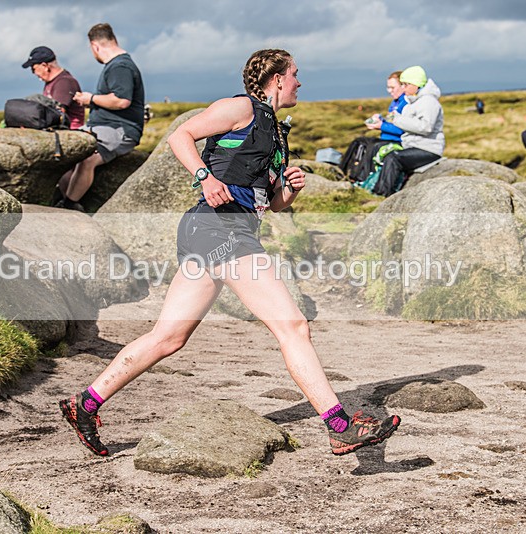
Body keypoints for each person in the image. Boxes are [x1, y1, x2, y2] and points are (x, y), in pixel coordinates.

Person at [58, 49, 401, 458]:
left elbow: (272, 203)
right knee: (292, 325)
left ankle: (86, 404)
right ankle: (339, 426)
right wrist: (204, 176)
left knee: (168, 337)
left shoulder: (275, 132)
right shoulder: (240, 108)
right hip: (221, 227)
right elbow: (179, 136)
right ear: (276, 79)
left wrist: (288, 188)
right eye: (295, 75)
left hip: (218, 229)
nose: (299, 82)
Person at [55, 23, 145, 212]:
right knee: (66, 150)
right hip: (104, 126)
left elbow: (122, 101)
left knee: (87, 159)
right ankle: (63, 197)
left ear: (95, 46)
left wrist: (91, 98)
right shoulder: (116, 65)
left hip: (120, 129)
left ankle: (70, 205)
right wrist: (92, 102)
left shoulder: (120, 66)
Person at [367, 65, 444, 196]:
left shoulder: (429, 101)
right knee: (385, 152)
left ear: (416, 84)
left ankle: (381, 194)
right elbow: (407, 123)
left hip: (428, 149)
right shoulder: (413, 101)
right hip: (413, 146)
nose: (403, 88)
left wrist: (397, 120)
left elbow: (425, 127)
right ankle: (375, 189)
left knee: (394, 158)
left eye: (405, 84)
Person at [22, 46, 85, 129]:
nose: (34, 73)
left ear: (44, 66)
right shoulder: (52, 82)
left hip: (69, 132)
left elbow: (57, 113)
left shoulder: (64, 83)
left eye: (34, 69)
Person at [366, 70, 408, 143]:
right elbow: (391, 121)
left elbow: (404, 129)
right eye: (388, 87)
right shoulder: (395, 102)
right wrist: (380, 120)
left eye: (392, 87)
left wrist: (381, 126)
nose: (389, 91)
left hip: (397, 142)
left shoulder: (406, 103)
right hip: (386, 140)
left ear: (403, 86)